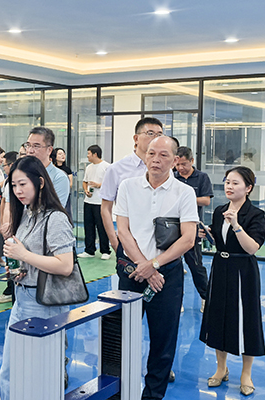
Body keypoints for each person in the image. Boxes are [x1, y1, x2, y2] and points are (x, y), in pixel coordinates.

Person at [114, 136, 198, 400]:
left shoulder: (184, 192)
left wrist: (155, 265)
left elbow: (188, 238)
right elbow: (123, 231)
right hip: (132, 272)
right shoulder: (128, 186)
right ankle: (119, 391)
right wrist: (145, 265)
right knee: (122, 336)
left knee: (163, 339)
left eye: (163, 155)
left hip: (167, 275)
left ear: (174, 161)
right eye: (151, 153)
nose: (156, 160)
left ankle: (152, 395)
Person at [0, 155, 75, 400]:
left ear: (40, 182)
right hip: (22, 297)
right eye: (13, 185)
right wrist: (20, 265)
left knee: (41, 373)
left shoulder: (55, 218)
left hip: (44, 303)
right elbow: (33, 257)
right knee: (10, 372)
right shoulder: (26, 213)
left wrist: (24, 255)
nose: (18, 191)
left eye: (23, 184)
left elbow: (65, 265)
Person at [199, 166, 265, 397]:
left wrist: (237, 225)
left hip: (243, 270)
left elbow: (252, 248)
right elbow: (220, 242)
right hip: (221, 267)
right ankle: (221, 368)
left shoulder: (256, 215)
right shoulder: (220, 211)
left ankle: (246, 374)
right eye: (227, 182)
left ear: (248, 188)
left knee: (247, 319)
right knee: (218, 316)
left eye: (235, 183)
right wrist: (207, 235)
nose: (229, 186)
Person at [100, 117, 163, 252]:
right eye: (150, 133)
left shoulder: (165, 169)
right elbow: (106, 208)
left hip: (162, 242)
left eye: (159, 135)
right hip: (130, 242)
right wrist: (115, 242)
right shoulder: (116, 169)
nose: (155, 138)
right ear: (136, 138)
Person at [174, 146, 213, 309]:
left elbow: (206, 200)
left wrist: (187, 198)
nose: (180, 168)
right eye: (177, 164)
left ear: (192, 161)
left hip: (192, 228)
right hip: (173, 228)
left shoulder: (202, 177)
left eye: (184, 164)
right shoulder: (172, 177)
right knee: (172, 267)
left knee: (196, 266)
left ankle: (206, 298)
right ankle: (176, 301)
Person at [0, 151, 18, 304]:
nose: (4, 169)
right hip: (8, 227)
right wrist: (3, 224)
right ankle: (11, 289)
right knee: (10, 261)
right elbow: (4, 204)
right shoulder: (8, 181)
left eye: (5, 166)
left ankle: (11, 290)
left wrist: (8, 225)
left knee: (15, 262)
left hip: (14, 229)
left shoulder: (16, 182)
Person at [79, 145, 111, 260]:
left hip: (100, 202)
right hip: (88, 201)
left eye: (89, 153)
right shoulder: (89, 167)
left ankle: (105, 250)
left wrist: (98, 185)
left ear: (95, 154)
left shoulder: (107, 167)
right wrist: (85, 190)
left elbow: (111, 183)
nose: (87, 156)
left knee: (102, 226)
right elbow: (85, 181)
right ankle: (89, 250)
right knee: (88, 226)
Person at [24, 127, 69, 207]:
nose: (30, 150)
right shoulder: (21, 173)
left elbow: (55, 210)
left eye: (36, 146)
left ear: (49, 150)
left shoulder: (59, 177)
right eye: (28, 145)